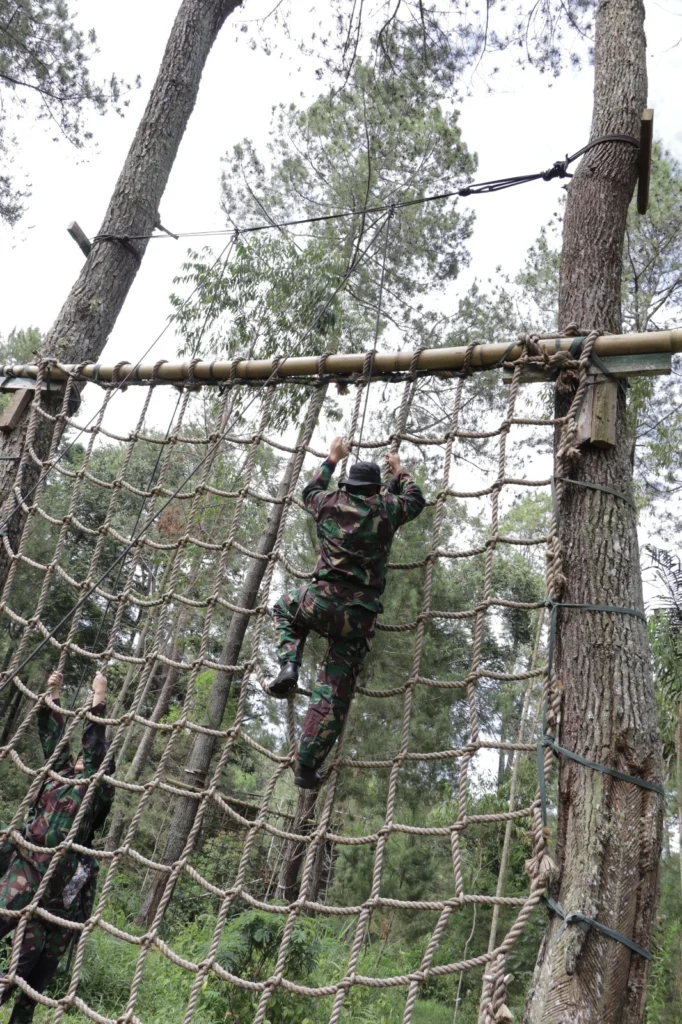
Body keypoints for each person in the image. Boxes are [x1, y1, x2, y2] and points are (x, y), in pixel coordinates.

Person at [269, 437, 425, 789]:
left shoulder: (328, 502)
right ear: (375, 487)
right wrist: (399, 471)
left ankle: (288, 663)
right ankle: (306, 768)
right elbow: (416, 500)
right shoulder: (387, 509)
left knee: (284, 608)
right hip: (357, 616)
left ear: (348, 484)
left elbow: (309, 490)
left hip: (319, 601)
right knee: (334, 692)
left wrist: (331, 459)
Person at [0, 670, 115, 1023]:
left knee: (29, 978)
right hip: (24, 864)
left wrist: (99, 699)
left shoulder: (95, 793)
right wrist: (54, 693)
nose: (81, 758)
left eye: (89, 759)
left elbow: (95, 753)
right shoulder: (59, 773)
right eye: (79, 757)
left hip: (50, 883)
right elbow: (53, 738)